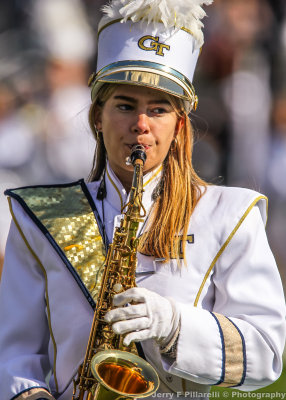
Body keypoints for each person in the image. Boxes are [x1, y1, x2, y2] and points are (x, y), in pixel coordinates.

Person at [0, 1, 285, 399]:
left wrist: (174, 325)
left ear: (179, 124)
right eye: (124, 106)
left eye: (158, 109)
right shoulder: (39, 218)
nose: (141, 124)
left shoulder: (230, 214)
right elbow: (13, 355)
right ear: (97, 117)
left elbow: (267, 355)